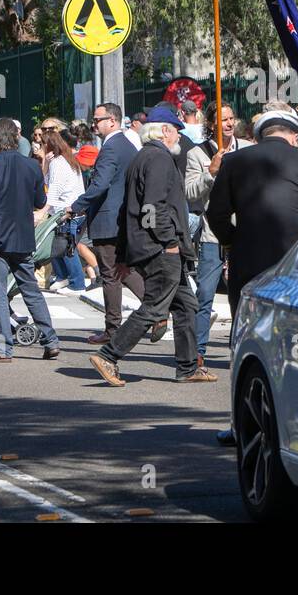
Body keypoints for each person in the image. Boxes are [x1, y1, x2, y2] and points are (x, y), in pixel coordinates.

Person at [206, 108, 298, 443]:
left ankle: (242, 424)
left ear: (262, 135)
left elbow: (215, 213)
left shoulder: (235, 162)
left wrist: (234, 241)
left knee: (245, 342)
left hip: (247, 262)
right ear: (294, 135)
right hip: (293, 264)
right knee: (296, 342)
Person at [90, 104, 214, 387]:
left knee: (186, 306)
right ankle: (109, 355)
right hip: (160, 248)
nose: (179, 139)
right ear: (165, 131)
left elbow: (128, 208)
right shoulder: (158, 159)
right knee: (155, 307)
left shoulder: (142, 157)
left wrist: (124, 252)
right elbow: (152, 207)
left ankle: (187, 366)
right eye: (177, 133)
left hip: (155, 245)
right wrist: (167, 241)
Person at [0, 117, 62, 363]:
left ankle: (3, 348)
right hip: (24, 236)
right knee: (31, 290)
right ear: (16, 138)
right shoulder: (31, 166)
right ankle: (50, 340)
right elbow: (39, 201)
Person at [70, 102, 142, 345]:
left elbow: (100, 185)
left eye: (97, 119)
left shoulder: (111, 148)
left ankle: (113, 329)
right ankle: (158, 310)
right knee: (123, 271)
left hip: (108, 220)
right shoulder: (126, 146)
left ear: (112, 121)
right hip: (120, 220)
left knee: (110, 275)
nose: (93, 124)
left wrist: (76, 206)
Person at [183, 101, 239, 368]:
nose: (229, 123)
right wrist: (211, 173)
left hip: (243, 232)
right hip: (213, 234)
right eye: (223, 119)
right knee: (205, 293)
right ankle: (198, 350)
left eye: (232, 118)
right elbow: (190, 192)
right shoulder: (198, 154)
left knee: (240, 295)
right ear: (213, 124)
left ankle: (239, 348)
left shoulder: (247, 149)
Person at [42, 128, 89, 292]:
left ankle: (77, 283)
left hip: (67, 210)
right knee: (59, 245)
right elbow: (47, 180)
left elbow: (54, 187)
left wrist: (45, 208)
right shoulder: (66, 160)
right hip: (70, 209)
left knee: (67, 247)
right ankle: (63, 277)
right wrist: (46, 163)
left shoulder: (59, 162)